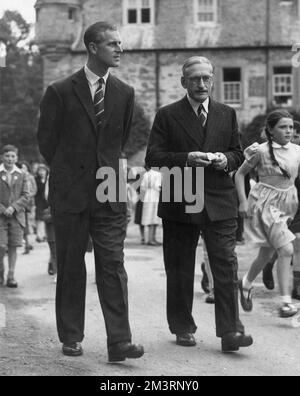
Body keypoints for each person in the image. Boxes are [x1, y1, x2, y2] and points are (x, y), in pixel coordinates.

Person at [37, 21, 144, 362]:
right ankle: (71, 335)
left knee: (113, 264)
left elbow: (118, 140)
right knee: (71, 265)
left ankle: (119, 342)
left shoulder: (124, 93)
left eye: (120, 43)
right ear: (93, 47)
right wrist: (71, 172)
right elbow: (46, 142)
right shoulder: (60, 91)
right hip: (70, 193)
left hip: (109, 191)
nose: (119, 49)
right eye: (112, 43)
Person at [145, 56, 253, 353]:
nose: (201, 83)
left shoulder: (226, 113)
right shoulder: (167, 115)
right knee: (179, 268)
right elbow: (152, 157)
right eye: (195, 79)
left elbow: (238, 153)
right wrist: (186, 159)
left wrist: (225, 160)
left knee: (226, 265)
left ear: (212, 80)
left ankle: (231, 331)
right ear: (184, 82)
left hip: (219, 198)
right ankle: (182, 326)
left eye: (206, 78)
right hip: (180, 197)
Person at [235, 110, 300, 318]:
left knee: (267, 253)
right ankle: (286, 303)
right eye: (283, 127)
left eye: (291, 127)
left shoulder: (298, 151)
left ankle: (245, 284)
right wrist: (243, 201)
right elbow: (239, 174)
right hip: (264, 205)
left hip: (287, 204)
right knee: (287, 250)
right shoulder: (260, 151)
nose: (288, 130)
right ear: (271, 130)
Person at [262, 120, 300, 296]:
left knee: (296, 243)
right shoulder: (277, 155)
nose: (294, 135)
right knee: (289, 243)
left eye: (295, 132)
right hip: (284, 203)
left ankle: (296, 286)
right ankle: (269, 264)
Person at [0, 145, 29, 288]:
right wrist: (3, 208)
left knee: (13, 246)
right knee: (1, 245)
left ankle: (11, 276)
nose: (10, 159)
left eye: (12, 156)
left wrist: (13, 207)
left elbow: (26, 195)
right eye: (7, 156)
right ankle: (1, 272)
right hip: (1, 217)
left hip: (16, 217)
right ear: (2, 157)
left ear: (16, 158)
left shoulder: (22, 174)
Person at [19, 161, 37, 254]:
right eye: (21, 167)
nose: (23, 169)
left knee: (27, 224)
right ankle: (27, 244)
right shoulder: (18, 177)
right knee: (23, 224)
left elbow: (34, 189)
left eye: (24, 167)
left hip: (29, 203)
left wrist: (28, 196)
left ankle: (28, 244)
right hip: (20, 204)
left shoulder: (30, 177)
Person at [140, 167, 162, 246]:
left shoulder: (146, 174)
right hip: (155, 196)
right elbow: (157, 186)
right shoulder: (158, 174)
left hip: (147, 195)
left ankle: (149, 238)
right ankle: (151, 238)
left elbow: (142, 186)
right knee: (154, 217)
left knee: (148, 217)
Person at [34, 164, 48, 243]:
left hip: (47, 202)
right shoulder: (36, 179)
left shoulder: (49, 179)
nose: (42, 172)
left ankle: (46, 235)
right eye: (40, 170)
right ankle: (40, 236)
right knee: (39, 218)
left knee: (47, 218)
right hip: (38, 201)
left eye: (43, 170)